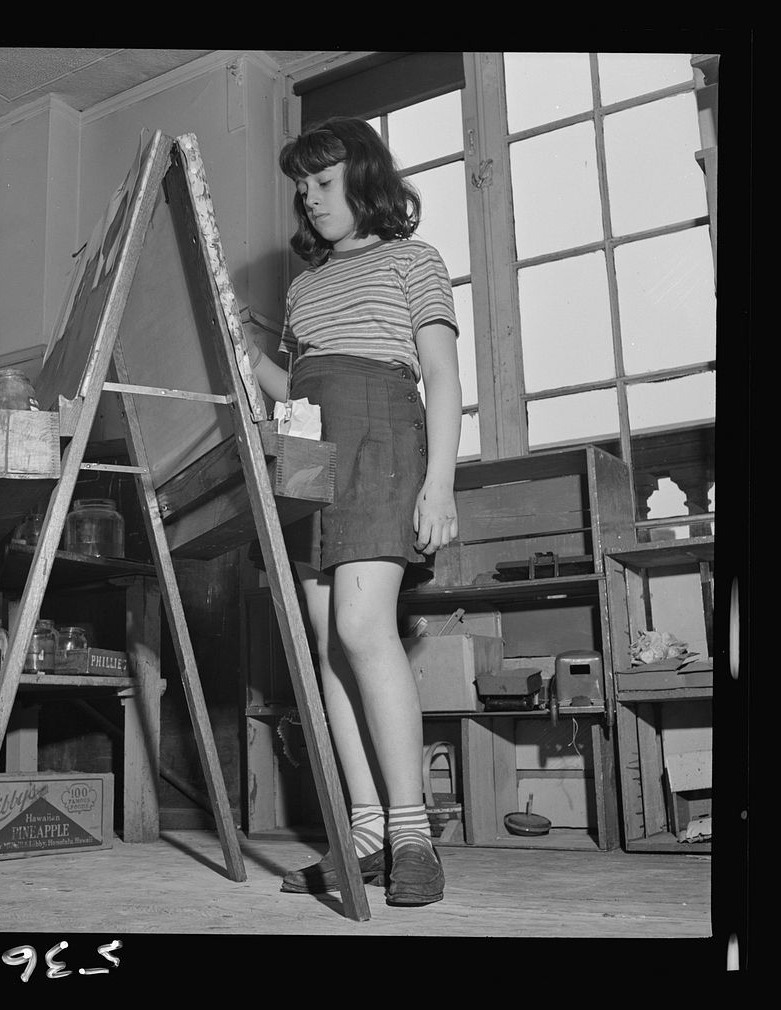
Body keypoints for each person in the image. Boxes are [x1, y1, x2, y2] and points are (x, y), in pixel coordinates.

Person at [248, 116, 462, 907]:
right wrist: (249, 356)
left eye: (325, 182)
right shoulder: (303, 286)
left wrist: (437, 484)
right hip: (309, 444)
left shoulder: (414, 260)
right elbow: (293, 385)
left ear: (365, 180)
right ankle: (366, 832)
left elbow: (440, 375)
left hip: (380, 433)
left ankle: (412, 834)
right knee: (325, 646)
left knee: (361, 629)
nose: (309, 200)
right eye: (302, 189)